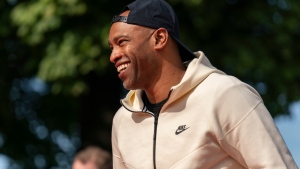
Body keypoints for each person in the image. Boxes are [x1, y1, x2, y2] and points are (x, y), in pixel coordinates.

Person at [108, 0, 298, 168]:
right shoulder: (123, 121)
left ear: (159, 39)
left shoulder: (224, 94)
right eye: (112, 47)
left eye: (122, 42)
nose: (113, 56)